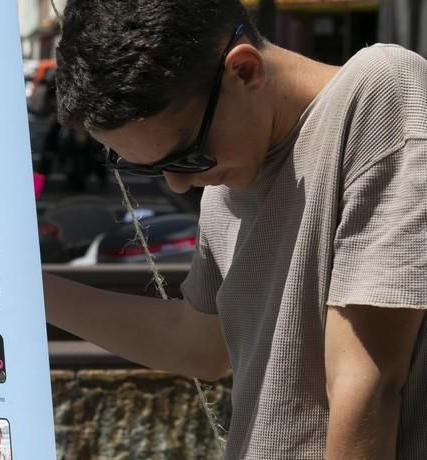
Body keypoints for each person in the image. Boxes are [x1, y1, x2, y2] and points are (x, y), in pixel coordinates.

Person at [50, 1, 427, 459]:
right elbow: (200, 345)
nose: (179, 183)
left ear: (245, 71)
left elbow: (366, 381)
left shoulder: (378, 92)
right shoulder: (225, 187)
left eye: (186, 154)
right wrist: (29, 293)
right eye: (147, 170)